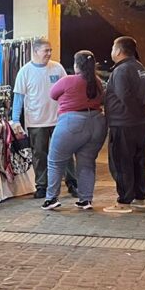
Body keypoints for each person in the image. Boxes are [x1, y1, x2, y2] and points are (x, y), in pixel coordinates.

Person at [12, 37, 78, 199]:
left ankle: (72, 183)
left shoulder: (57, 68)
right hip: (36, 121)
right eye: (45, 50)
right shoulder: (25, 71)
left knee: (66, 152)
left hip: (59, 119)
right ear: (35, 51)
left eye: (50, 50)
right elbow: (18, 97)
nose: (49, 53)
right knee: (39, 155)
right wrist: (14, 120)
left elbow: (66, 92)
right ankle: (41, 185)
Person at [42, 51, 107, 211]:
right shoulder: (97, 82)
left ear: (77, 65)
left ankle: (51, 198)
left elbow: (53, 94)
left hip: (71, 123)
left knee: (55, 162)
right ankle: (85, 199)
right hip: (97, 123)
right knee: (87, 163)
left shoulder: (68, 80)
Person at [103, 36, 145, 213]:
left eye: (112, 48)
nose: (111, 52)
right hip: (140, 124)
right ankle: (140, 197)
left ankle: (124, 201)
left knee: (121, 161)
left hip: (124, 123)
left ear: (118, 51)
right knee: (137, 161)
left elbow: (125, 96)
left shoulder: (121, 70)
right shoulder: (139, 67)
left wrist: (137, 112)